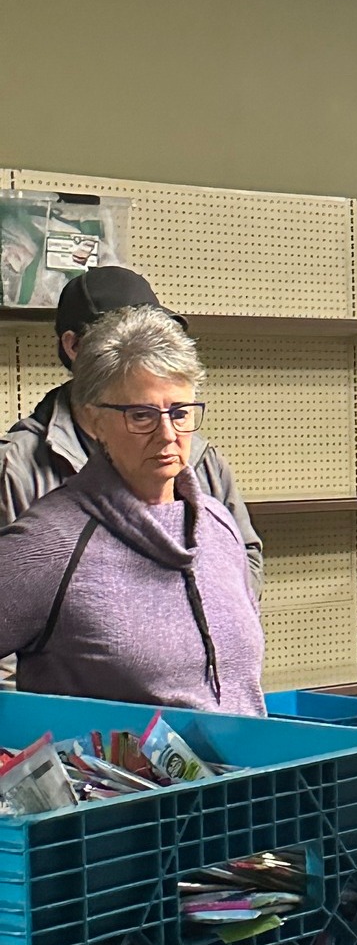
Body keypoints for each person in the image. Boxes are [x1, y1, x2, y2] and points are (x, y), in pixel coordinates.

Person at [0, 306, 264, 714]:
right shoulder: (49, 545)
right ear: (94, 420)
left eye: (180, 413)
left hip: (250, 757)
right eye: (141, 415)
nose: (167, 434)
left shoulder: (218, 525)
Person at [0, 265, 263, 587]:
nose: (166, 433)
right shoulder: (15, 467)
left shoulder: (197, 455)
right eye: (124, 338)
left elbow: (245, 555)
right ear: (73, 346)